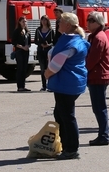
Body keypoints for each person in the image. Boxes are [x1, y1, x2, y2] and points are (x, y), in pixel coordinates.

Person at [44, 12, 88, 160]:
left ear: (68, 25)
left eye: (60, 21)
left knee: (66, 116)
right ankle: (67, 147)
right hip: (72, 82)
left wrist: (47, 73)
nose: (58, 23)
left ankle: (71, 149)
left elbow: (57, 63)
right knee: (61, 114)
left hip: (66, 83)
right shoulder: (76, 39)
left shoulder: (69, 42)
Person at [84, 11, 109, 146]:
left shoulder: (99, 38)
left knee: (99, 107)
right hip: (97, 75)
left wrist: (83, 70)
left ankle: (103, 135)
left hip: (98, 75)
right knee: (98, 107)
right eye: (88, 20)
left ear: (98, 23)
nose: (88, 23)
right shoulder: (95, 36)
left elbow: (92, 59)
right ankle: (103, 135)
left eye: (91, 20)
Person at [34, 16, 55, 92]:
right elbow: (35, 40)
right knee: (42, 68)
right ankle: (43, 85)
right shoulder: (38, 30)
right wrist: (40, 44)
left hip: (48, 51)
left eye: (45, 20)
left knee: (49, 68)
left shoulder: (51, 30)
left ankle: (50, 85)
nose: (44, 21)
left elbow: (53, 41)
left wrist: (48, 45)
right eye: (42, 20)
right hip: (40, 51)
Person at [12, 17, 32, 92]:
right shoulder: (17, 31)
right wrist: (22, 47)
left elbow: (29, 42)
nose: (24, 23)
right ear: (19, 22)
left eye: (25, 21)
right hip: (19, 51)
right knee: (20, 68)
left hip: (26, 52)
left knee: (24, 69)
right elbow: (14, 42)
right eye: (23, 21)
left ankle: (23, 86)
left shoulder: (27, 31)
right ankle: (19, 86)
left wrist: (28, 46)